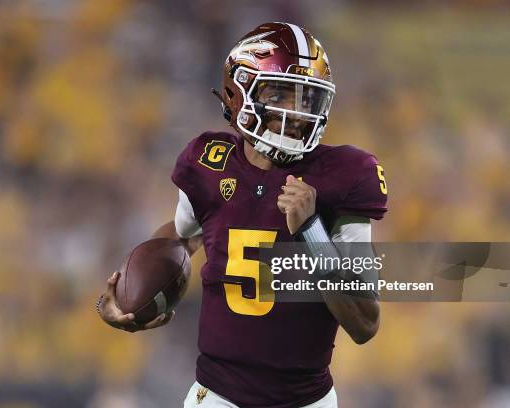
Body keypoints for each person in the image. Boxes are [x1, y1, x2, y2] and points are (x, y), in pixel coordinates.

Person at [98, 22, 388, 408]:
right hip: (217, 397)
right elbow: (182, 236)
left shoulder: (345, 176)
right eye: (282, 95)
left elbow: (365, 323)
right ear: (239, 95)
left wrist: (311, 230)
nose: (298, 113)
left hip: (306, 400)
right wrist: (127, 298)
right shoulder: (210, 162)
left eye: (306, 99)